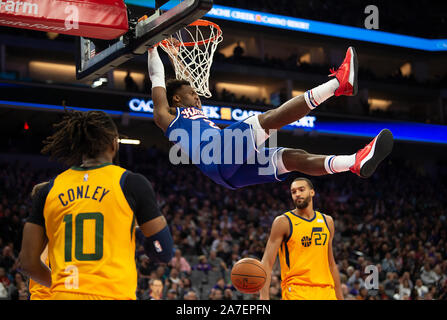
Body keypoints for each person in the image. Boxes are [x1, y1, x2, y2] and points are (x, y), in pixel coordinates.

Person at [147, 46, 394, 190]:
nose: (198, 97)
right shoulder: (168, 117)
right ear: (176, 99)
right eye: (192, 94)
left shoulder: (198, 118)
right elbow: (157, 78)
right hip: (217, 155)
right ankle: (338, 84)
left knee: (292, 157)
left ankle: (354, 162)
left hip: (227, 168)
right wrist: (151, 47)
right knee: (266, 120)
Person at [18, 110, 174, 300]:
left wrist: (66, 286)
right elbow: (163, 251)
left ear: (79, 146)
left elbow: (27, 263)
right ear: (114, 143)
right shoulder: (131, 183)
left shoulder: (48, 190)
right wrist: (141, 237)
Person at [259, 178, 343, 300]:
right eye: (293, 192)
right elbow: (266, 263)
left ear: (312, 192)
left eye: (301, 190)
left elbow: (331, 264)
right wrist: (264, 297)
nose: (297, 194)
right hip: (296, 291)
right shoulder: (283, 222)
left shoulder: (327, 221)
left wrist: (340, 296)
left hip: (326, 292)